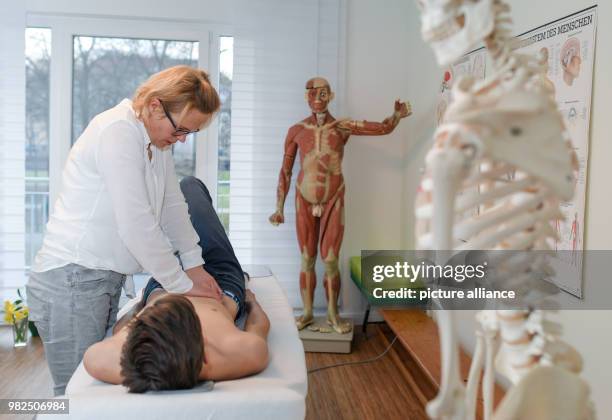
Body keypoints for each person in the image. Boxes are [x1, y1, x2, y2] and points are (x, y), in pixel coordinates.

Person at [26, 66, 225, 396]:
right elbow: (136, 223)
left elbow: (173, 207)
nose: (183, 139)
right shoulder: (117, 131)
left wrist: (195, 265)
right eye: (180, 130)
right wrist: (181, 285)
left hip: (101, 278)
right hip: (72, 278)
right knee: (73, 398)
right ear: (154, 106)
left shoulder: (155, 142)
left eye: (191, 133)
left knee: (96, 391)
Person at [84, 176, 269, 392]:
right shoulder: (239, 354)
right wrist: (251, 302)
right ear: (204, 351)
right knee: (190, 186)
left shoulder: (102, 360)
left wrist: (140, 305)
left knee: (174, 210)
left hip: (166, 283)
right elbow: (258, 326)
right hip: (221, 279)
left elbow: (118, 329)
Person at [268, 77, 411, 334]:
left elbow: (382, 128)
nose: (318, 98)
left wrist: (396, 115)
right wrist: (278, 206)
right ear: (306, 97)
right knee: (306, 259)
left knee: (331, 260)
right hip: (303, 198)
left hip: (334, 198)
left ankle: (334, 314)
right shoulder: (296, 130)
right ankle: (309, 313)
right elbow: (285, 171)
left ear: (330, 96)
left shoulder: (342, 126)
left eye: (323, 94)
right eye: (313, 93)